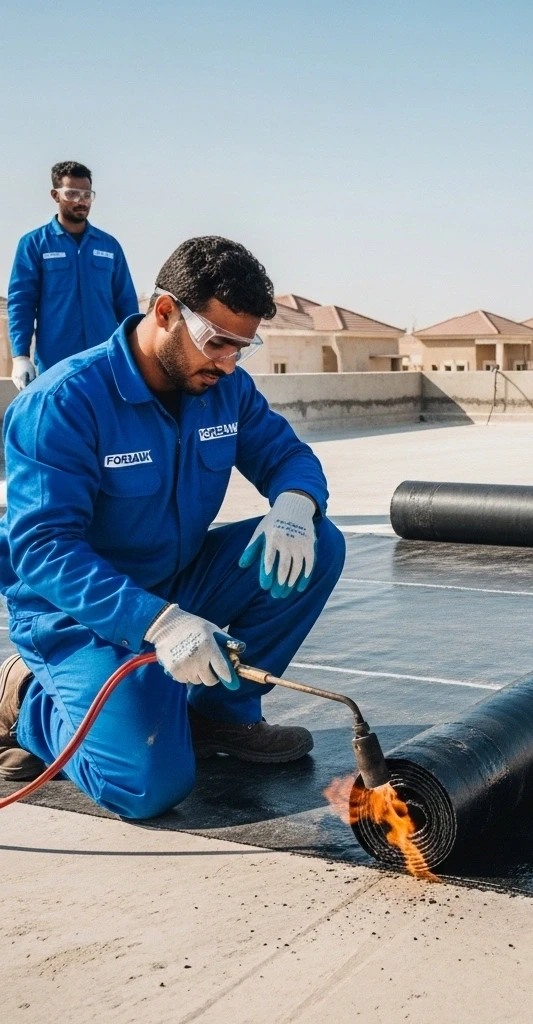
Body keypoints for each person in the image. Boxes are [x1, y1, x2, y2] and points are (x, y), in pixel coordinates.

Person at [0, 236, 346, 820]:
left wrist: (294, 505)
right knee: (148, 785)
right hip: (79, 614)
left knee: (321, 545)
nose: (230, 363)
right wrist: (157, 623)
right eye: (217, 343)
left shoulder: (224, 387)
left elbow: (288, 457)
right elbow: (41, 548)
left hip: (180, 579)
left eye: (245, 347)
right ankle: (28, 700)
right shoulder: (64, 403)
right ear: (165, 312)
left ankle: (222, 714)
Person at [7, 160, 138, 389]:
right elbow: (21, 303)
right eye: (72, 193)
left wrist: (136, 351)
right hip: (56, 363)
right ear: (55, 195)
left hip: (105, 360)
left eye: (87, 194)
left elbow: (126, 303)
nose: (81, 201)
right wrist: (20, 356)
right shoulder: (34, 244)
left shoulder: (109, 246)